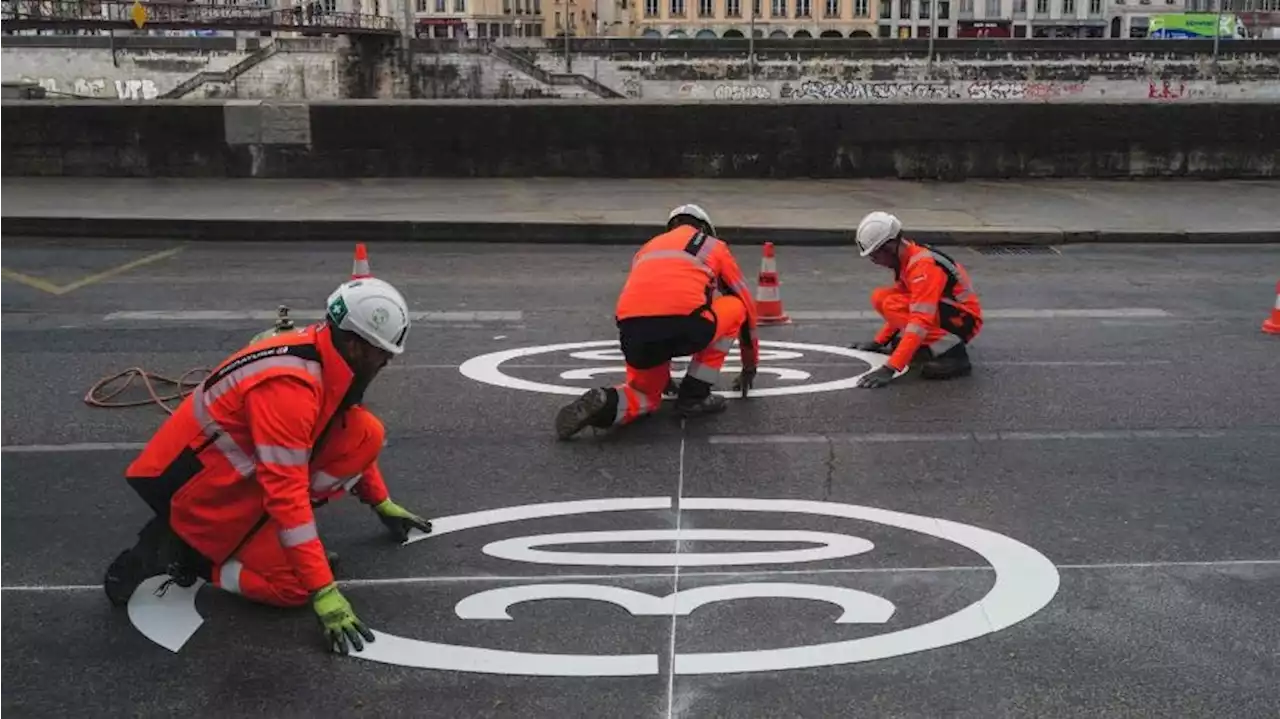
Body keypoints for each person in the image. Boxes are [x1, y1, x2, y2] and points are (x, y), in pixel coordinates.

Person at [102, 277, 433, 656]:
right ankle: (192, 556)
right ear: (357, 346)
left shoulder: (326, 355)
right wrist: (324, 593)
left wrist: (380, 502)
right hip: (205, 492)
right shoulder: (289, 390)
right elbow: (286, 496)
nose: (387, 361)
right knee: (294, 587)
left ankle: (253, 542)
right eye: (383, 353)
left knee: (364, 433)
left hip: (238, 476)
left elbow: (334, 433)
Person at [555, 204, 760, 439]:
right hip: (687, 326)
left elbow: (656, 302)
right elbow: (746, 304)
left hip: (633, 330)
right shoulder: (713, 246)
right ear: (704, 228)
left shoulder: (647, 248)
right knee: (736, 306)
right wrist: (749, 365)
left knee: (643, 396)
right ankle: (695, 396)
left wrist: (662, 377)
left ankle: (606, 402)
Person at [849, 211, 984, 389]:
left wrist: (890, 368)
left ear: (889, 247)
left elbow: (920, 320)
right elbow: (904, 306)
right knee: (881, 297)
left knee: (893, 304)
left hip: (963, 321)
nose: (874, 261)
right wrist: (879, 342)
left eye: (875, 255)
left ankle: (953, 354)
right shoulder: (906, 259)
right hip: (950, 313)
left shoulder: (923, 268)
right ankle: (925, 346)